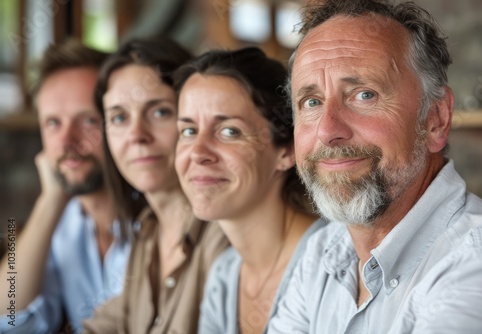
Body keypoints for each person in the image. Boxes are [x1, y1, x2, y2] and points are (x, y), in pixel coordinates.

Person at [268, 0, 482, 333]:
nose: (328, 130)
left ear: (436, 119)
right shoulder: (323, 251)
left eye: (364, 95)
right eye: (312, 102)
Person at [174, 47, 326, 334]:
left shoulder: (330, 262)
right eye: (188, 131)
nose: (197, 153)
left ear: (286, 151)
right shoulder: (225, 275)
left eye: (229, 131)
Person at [83, 37, 229, 333]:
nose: (137, 134)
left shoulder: (227, 233)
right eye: (119, 117)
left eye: (159, 111)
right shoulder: (147, 233)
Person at [0, 40, 134, 333]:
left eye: (87, 120)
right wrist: (49, 201)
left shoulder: (160, 216)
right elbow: (8, 317)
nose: (67, 141)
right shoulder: (64, 224)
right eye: (52, 123)